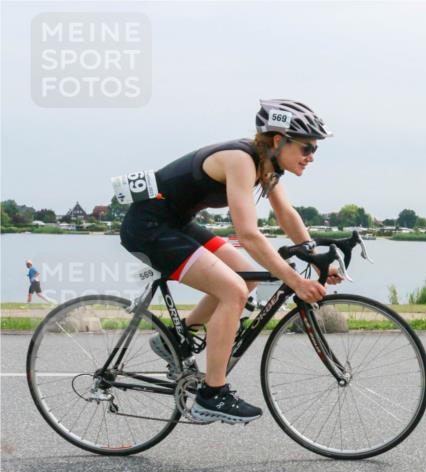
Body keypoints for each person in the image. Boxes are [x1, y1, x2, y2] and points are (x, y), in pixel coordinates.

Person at [119, 99, 342, 425]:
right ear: (279, 141)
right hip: (148, 227)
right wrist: (294, 281)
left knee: (246, 277)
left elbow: (285, 214)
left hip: (176, 222)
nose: (310, 158)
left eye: (315, 151)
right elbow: (249, 235)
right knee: (234, 291)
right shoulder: (241, 161)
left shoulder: (267, 166)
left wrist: (316, 259)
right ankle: (213, 393)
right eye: (307, 148)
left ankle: (172, 345)